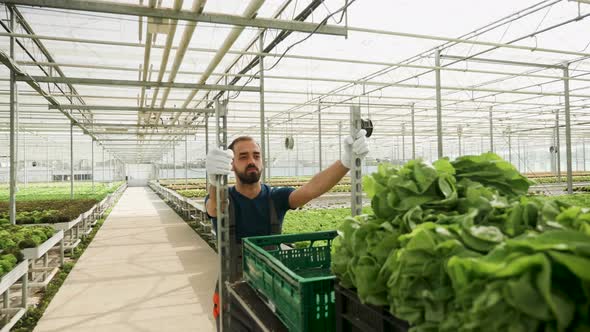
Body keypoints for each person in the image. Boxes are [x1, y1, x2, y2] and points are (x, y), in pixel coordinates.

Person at [205, 130, 369, 331]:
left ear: (262, 161)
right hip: (232, 296)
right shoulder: (225, 198)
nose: (252, 161)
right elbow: (215, 206)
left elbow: (311, 189)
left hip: (272, 290)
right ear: (231, 164)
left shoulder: (275, 197)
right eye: (243, 156)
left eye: (256, 156)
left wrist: (345, 162)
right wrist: (214, 182)